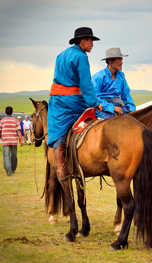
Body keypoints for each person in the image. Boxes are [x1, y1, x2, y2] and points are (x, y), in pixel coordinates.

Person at [47, 27, 102, 181]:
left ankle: (61, 166)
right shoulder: (81, 57)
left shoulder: (60, 55)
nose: (92, 44)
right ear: (81, 41)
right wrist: (94, 103)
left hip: (57, 100)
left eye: (92, 40)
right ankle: (69, 164)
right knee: (95, 117)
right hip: (73, 101)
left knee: (58, 129)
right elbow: (86, 84)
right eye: (89, 40)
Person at [92, 47, 136, 119]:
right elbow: (94, 97)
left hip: (119, 107)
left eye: (121, 59)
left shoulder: (121, 75)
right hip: (103, 108)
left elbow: (126, 94)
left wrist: (131, 109)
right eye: (119, 59)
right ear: (110, 61)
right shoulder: (99, 76)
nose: (121, 62)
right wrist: (112, 108)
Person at [0, 106, 23, 176]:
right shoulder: (15, 120)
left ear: (5, 112)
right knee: (14, 156)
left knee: (6, 156)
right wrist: (21, 141)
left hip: (5, 141)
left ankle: (9, 171)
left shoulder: (2, 120)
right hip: (13, 141)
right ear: (12, 112)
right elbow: (19, 132)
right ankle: (13, 169)